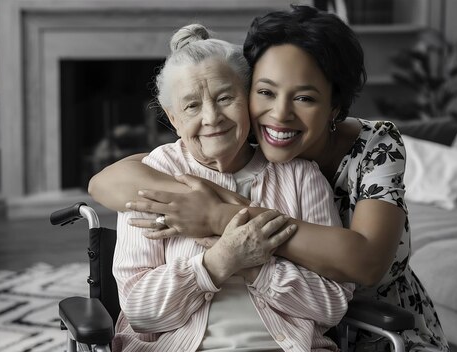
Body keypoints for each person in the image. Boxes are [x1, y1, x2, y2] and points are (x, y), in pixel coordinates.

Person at [92, 6, 448, 352]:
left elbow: (361, 269)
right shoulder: (201, 151)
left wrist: (221, 219)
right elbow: (108, 184)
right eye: (265, 92)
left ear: (335, 107)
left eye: (305, 97)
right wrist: (217, 258)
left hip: (375, 323)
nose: (279, 115)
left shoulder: (347, 157)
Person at [110, 23, 354, 352]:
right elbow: (140, 313)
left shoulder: (300, 177)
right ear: (172, 117)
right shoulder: (153, 178)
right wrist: (220, 261)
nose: (212, 117)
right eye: (192, 105)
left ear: (250, 99)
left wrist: (256, 266)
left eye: (225, 97)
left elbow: (333, 305)